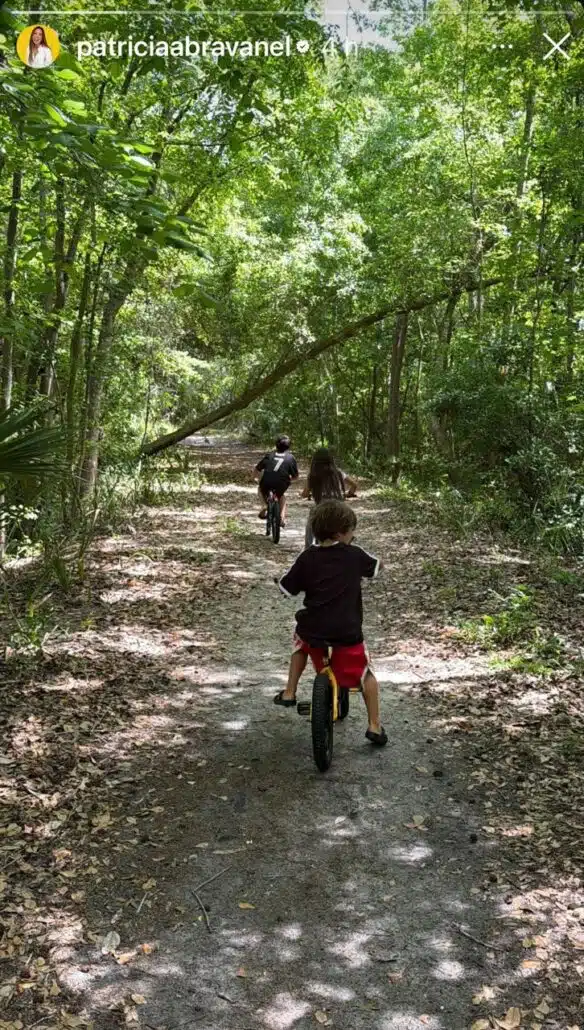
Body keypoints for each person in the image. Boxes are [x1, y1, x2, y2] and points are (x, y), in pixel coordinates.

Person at [274, 498, 387, 746]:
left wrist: (281, 582)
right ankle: (375, 726)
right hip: (347, 632)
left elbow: (287, 588)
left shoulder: (307, 558)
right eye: (351, 532)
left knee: (299, 643)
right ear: (340, 533)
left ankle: (290, 691)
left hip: (313, 630)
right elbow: (376, 566)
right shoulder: (355, 555)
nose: (353, 537)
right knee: (366, 673)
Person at [301, 447, 357, 549]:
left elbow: (305, 493)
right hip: (340, 507)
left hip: (321, 507)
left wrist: (305, 495)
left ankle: (308, 549)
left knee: (310, 525)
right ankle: (349, 545)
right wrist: (349, 493)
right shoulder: (339, 473)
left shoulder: (313, 474)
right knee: (348, 524)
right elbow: (354, 485)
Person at [254, 434, 299, 528]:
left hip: (267, 481)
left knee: (260, 489)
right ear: (289, 446)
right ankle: (282, 518)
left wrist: (256, 478)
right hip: (281, 483)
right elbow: (295, 476)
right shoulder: (291, 458)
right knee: (281, 497)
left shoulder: (269, 455)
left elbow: (257, 469)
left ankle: (264, 506)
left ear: (276, 445)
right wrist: (289, 479)